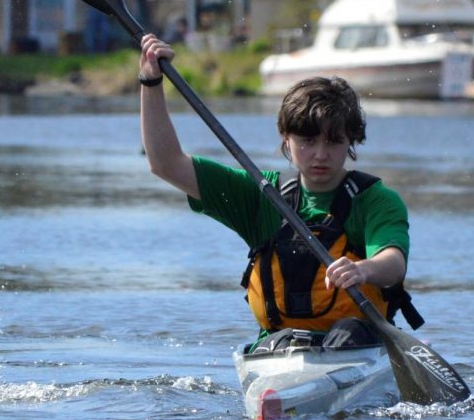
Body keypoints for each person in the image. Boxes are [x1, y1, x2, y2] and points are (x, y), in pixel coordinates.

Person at [138, 33, 422, 353]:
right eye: (306, 141)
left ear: (352, 140)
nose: (319, 155)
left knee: (348, 332)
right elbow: (166, 164)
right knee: (279, 344)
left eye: (333, 142)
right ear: (285, 138)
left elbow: (393, 262)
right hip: (278, 350)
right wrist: (150, 83)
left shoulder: (374, 200)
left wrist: (362, 269)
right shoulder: (262, 195)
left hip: (359, 344)